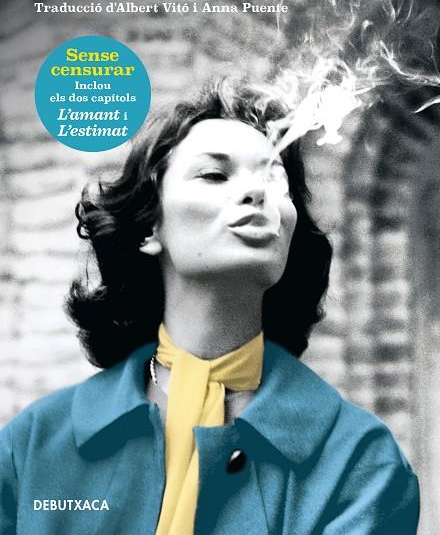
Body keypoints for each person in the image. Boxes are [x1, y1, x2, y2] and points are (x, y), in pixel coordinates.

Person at [0, 81, 419, 535]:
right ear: (148, 226)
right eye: (215, 175)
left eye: (275, 179)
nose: (257, 193)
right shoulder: (31, 446)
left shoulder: (359, 461)